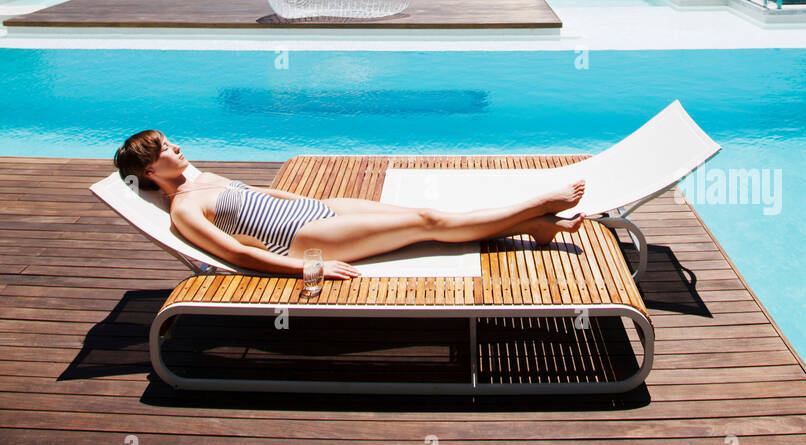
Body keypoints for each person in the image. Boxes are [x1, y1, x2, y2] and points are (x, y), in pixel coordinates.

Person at [114, 130, 587, 280]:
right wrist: (305, 270)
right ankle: (536, 206)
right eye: (167, 150)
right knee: (429, 222)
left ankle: (535, 228)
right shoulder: (184, 211)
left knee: (413, 215)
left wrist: (315, 200)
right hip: (301, 241)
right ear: (153, 173)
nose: (177, 149)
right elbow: (235, 255)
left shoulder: (200, 178)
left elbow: (264, 194)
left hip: (316, 211)